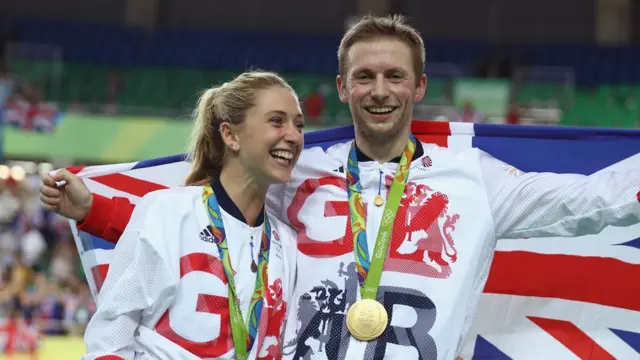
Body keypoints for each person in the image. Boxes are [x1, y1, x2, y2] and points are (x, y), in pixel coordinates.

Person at [40, 15, 640, 360]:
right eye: (365, 77)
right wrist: (97, 208)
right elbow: (196, 217)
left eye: (394, 76)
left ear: (419, 86)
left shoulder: (474, 180)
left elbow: (586, 206)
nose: (380, 89)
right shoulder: (295, 166)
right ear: (344, 87)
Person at [44, 71, 304, 359]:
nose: (293, 135)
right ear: (230, 135)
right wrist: (95, 210)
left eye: (299, 125)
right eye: (277, 120)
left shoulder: (286, 244)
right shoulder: (166, 211)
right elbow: (108, 340)